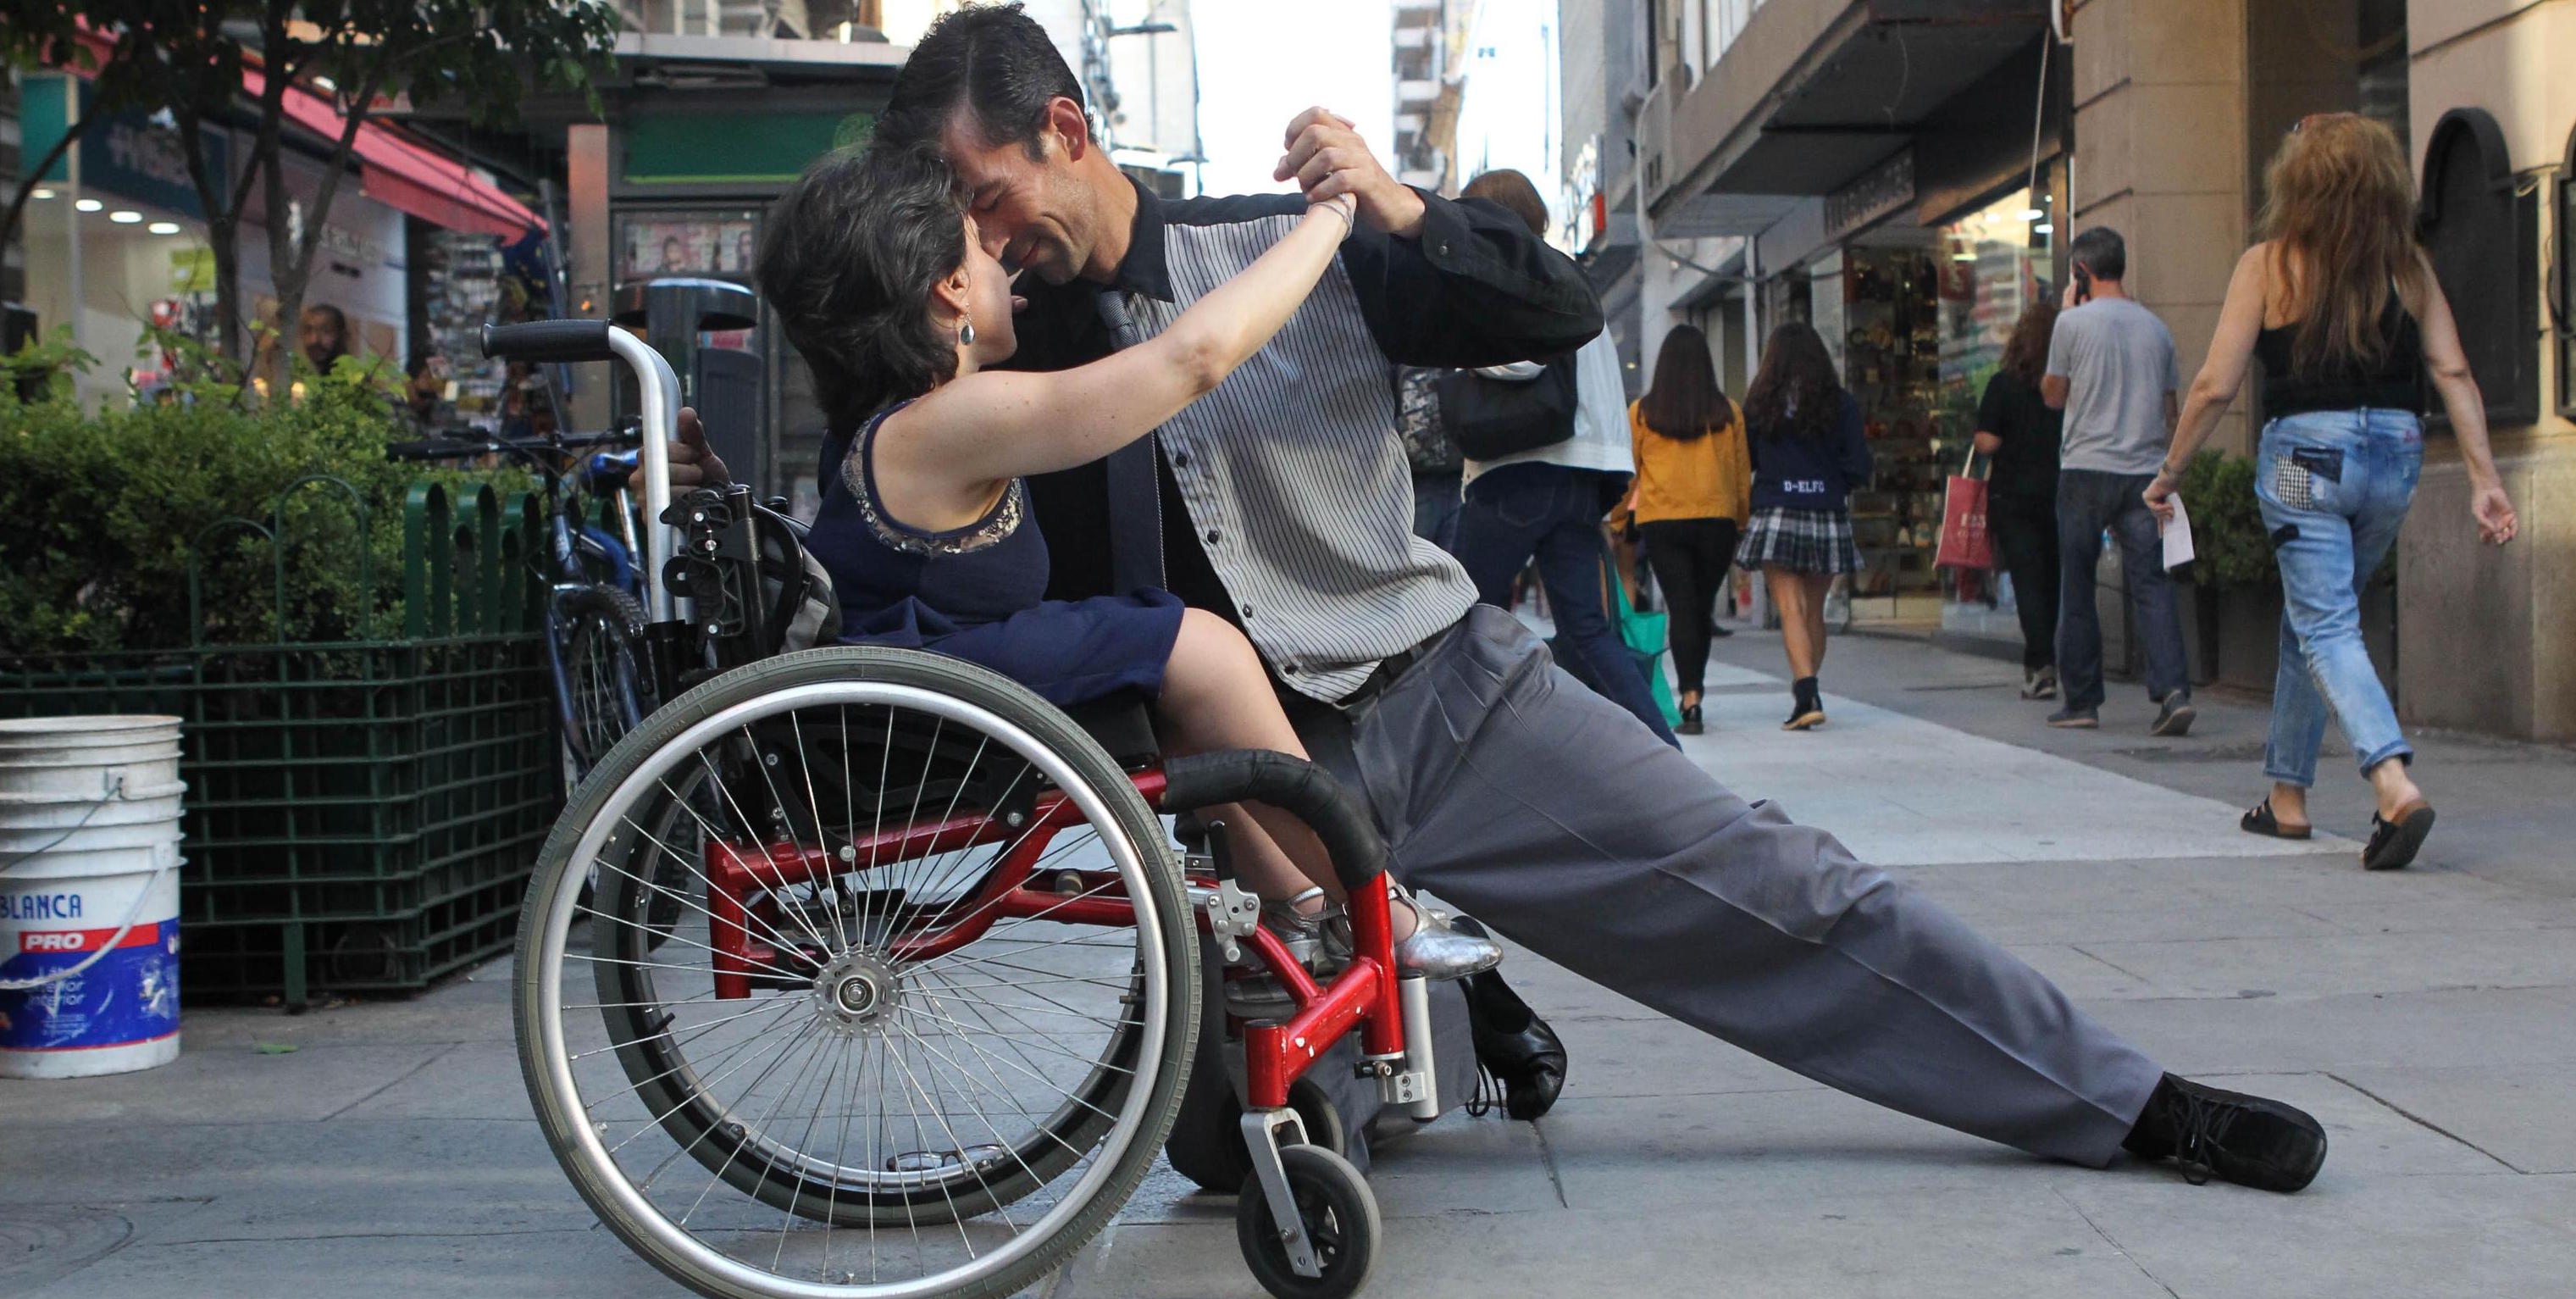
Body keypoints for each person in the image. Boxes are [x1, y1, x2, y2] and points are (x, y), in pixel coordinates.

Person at [656, 2, 2330, 1189]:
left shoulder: (1273, 243)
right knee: (1244, 1156)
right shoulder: (986, 372)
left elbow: (1546, 312)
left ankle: (2129, 1101)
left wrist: (1381, 203)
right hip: (1238, 800)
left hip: (1441, 697)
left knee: (1785, 887)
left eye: (985, 196)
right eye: (950, 224)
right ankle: (1421, 973)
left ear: (1063, 135)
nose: (978, 241)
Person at [753, 142, 1501, 980]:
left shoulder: (894, 424)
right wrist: (1329, 217)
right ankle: (1380, 915)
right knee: (1193, 646)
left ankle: (1308, 908)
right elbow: (1191, 360)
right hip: (919, 709)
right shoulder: (944, 420)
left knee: (1158, 667)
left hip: (912, 697)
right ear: (947, 287)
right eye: (979, 243)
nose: (1001, 254)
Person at [2147, 113, 2518, 871]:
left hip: (2301, 461)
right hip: (2394, 456)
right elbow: (2451, 371)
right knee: (2314, 615)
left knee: (2325, 624)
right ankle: (2286, 794)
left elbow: (2216, 383)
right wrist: (2484, 478)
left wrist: (2169, 472)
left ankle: (2391, 779)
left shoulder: (2268, 263)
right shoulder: (2404, 266)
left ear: (2295, 185)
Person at [1445, 169, 1675, 747]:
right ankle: (1662, 758)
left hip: (1522, 468)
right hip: (1579, 474)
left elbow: (1521, 361)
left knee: (1457, 619)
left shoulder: (1515, 269)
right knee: (1587, 631)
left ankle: (1467, 753)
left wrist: (1456, 349)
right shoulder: (1569, 270)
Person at [2043, 227, 2195, 736]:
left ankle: (2082, 701)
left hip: (2086, 469)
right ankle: (2173, 691)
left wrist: (2066, 315)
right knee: (2152, 583)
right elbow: (2171, 412)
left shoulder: (2072, 324)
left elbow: (2052, 395)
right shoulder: (2157, 329)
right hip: (2144, 473)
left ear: (2080, 273)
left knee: (2078, 583)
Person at [1736, 322, 1870, 732]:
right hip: (1826, 510)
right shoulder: (1839, 402)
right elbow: (1859, 465)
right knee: (1815, 610)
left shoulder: (1759, 404)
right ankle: (1808, 689)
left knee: (1789, 608)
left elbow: (1748, 461)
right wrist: (1833, 483)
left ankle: (1805, 694)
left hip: (1777, 508)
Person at [1626, 324, 1750, 735]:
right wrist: (1742, 520)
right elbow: (1740, 472)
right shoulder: (1728, 412)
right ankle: (1695, 693)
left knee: (1682, 607)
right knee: (1699, 607)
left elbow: (1630, 472)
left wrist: (1615, 521)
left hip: (1663, 519)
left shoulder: (1643, 412)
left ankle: (1690, 699)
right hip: (1717, 519)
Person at [1974, 301, 2066, 700]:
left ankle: (2041, 665)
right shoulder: (2068, 386)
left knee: (2027, 579)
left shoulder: (2004, 383)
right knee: (2053, 579)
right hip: (2061, 491)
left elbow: (1988, 441)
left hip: (2012, 495)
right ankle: (2043, 660)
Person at [1393, 364, 1465, 550]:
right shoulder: (1398, 360)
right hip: (1415, 479)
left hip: (1461, 475)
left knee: (1454, 561)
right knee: (1416, 555)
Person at [298, 303, 350, 373]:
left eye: (326, 331)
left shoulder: (353, 378)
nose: (313, 340)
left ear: (343, 336)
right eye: (308, 331)